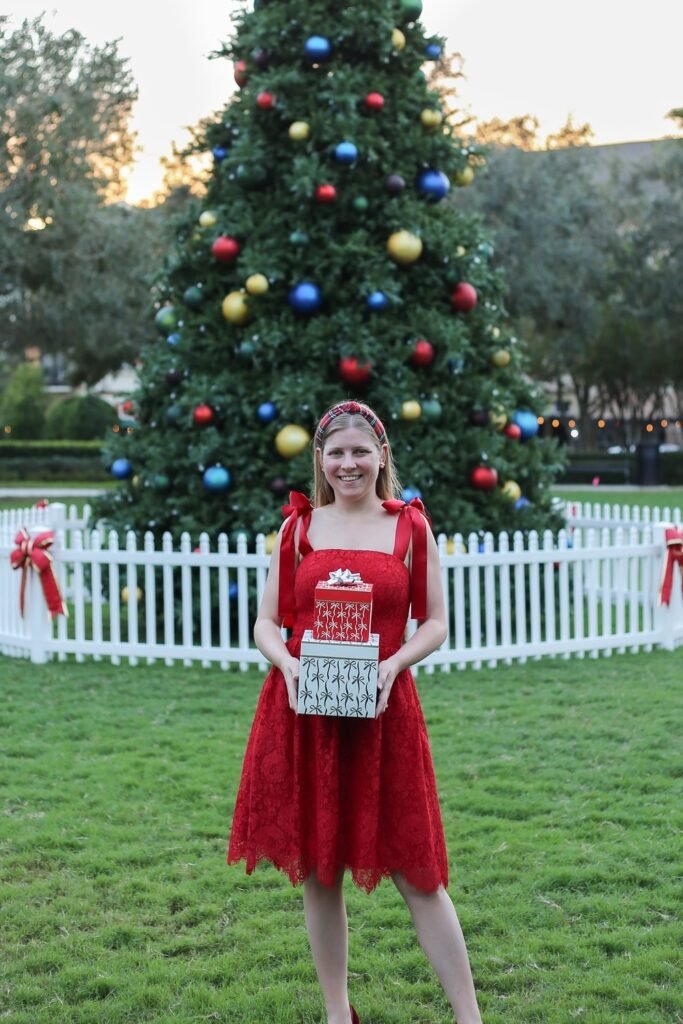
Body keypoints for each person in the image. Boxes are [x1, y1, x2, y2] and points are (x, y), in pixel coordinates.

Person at [228, 400, 482, 1024]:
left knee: (419, 873)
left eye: (360, 452)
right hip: (305, 712)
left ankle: (470, 1017)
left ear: (381, 456)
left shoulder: (409, 527)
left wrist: (394, 664)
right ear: (321, 459)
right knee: (319, 870)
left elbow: (437, 622)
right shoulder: (298, 529)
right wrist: (286, 664)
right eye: (336, 453)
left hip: (383, 714)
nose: (348, 464)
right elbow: (265, 623)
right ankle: (339, 1013)